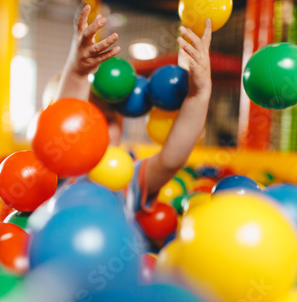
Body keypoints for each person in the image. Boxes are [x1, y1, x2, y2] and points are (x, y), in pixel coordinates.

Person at [55, 4, 213, 213]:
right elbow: (62, 121)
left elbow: (171, 160)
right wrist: (77, 72)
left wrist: (198, 96)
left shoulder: (130, 180)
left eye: (109, 119)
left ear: (122, 127)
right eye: (88, 119)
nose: (98, 129)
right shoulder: (63, 173)